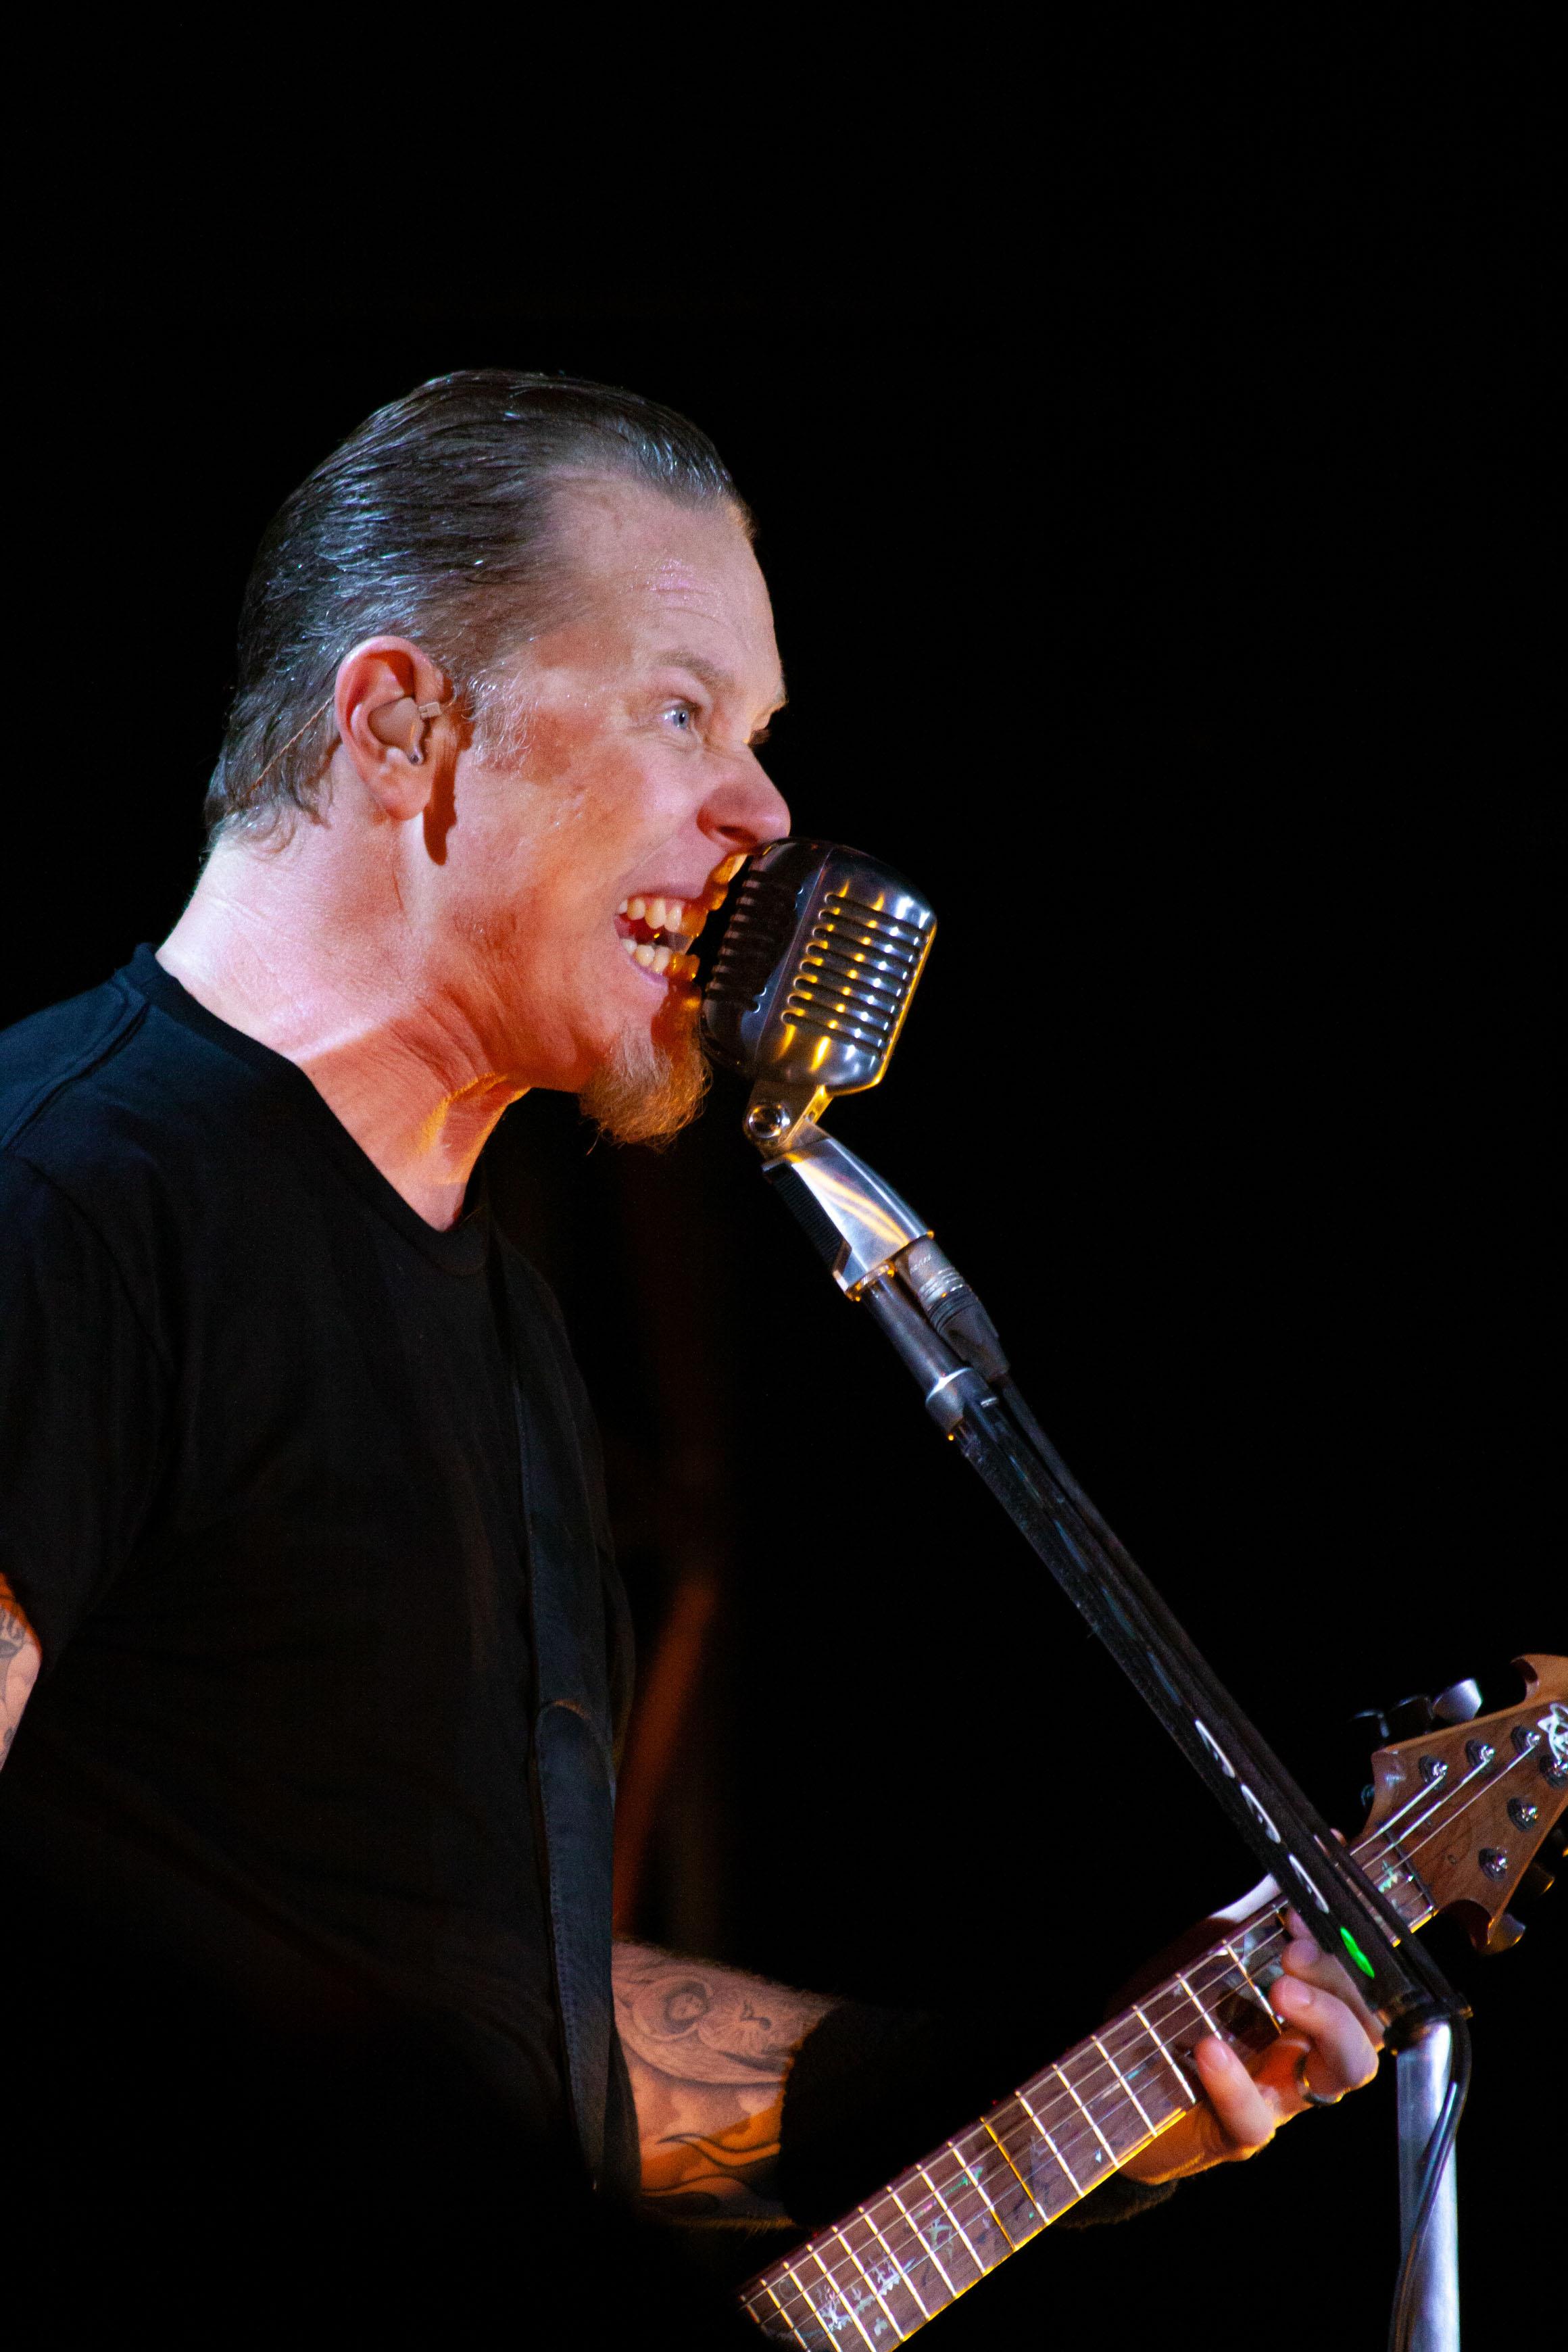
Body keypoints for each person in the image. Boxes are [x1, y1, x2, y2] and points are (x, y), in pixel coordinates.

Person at [0, 374, 1381, 2341]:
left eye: (759, 737)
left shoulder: (502, 1329)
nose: (764, 814)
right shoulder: (66, 1202)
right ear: (403, 729)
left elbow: (488, 2027)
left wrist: (1075, 2092)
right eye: (681, 713)